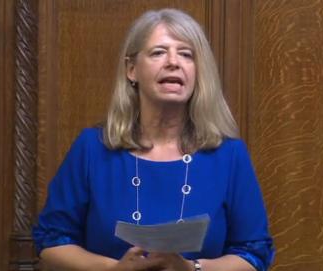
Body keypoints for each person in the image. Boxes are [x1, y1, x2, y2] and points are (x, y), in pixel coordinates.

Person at [32, 8, 274, 271]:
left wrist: (192, 269)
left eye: (186, 54)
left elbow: (253, 254)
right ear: (132, 69)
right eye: (158, 52)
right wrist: (114, 270)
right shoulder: (92, 148)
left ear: (198, 72)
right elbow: (51, 241)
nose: (173, 62)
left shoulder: (229, 156)